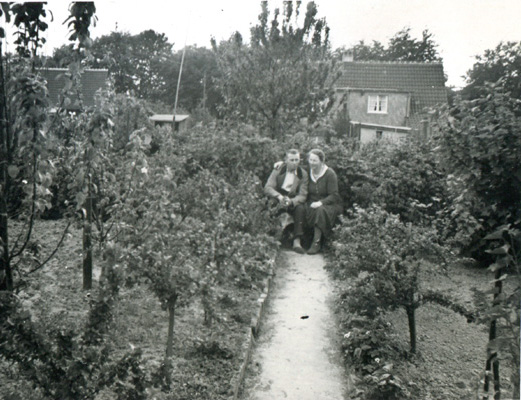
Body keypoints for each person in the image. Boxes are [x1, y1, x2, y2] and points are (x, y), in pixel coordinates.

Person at [293, 148, 342, 255]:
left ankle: (316, 242)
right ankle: (298, 240)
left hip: (328, 204)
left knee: (320, 210)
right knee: (300, 208)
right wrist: (280, 164)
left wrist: (321, 202)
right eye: (310, 160)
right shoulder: (307, 171)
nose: (312, 163)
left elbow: (334, 195)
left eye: (315, 161)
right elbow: (293, 167)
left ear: (321, 161)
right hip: (311, 202)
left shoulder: (329, 174)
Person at [264, 149, 309, 246]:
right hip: (278, 196)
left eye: (296, 160)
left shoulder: (303, 174)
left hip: (292, 198)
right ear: (286, 160)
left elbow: (303, 195)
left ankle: (297, 240)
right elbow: (268, 187)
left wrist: (292, 201)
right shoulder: (278, 169)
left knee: (300, 208)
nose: (294, 163)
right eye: (291, 160)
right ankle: (272, 237)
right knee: (272, 204)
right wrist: (279, 196)